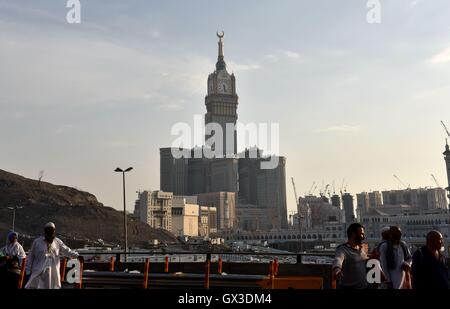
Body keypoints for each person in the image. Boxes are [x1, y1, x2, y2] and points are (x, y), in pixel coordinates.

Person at [25, 222, 79, 289]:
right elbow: (31, 257)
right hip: (38, 272)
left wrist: (77, 256)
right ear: (45, 231)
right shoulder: (37, 242)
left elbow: (67, 250)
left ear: (54, 231)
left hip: (53, 273)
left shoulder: (57, 242)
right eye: (48, 230)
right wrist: (28, 271)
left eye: (52, 230)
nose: (50, 232)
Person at [332, 223, 369, 289]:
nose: (363, 237)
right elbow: (338, 259)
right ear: (353, 234)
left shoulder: (363, 248)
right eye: (361, 234)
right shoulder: (342, 249)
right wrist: (337, 269)